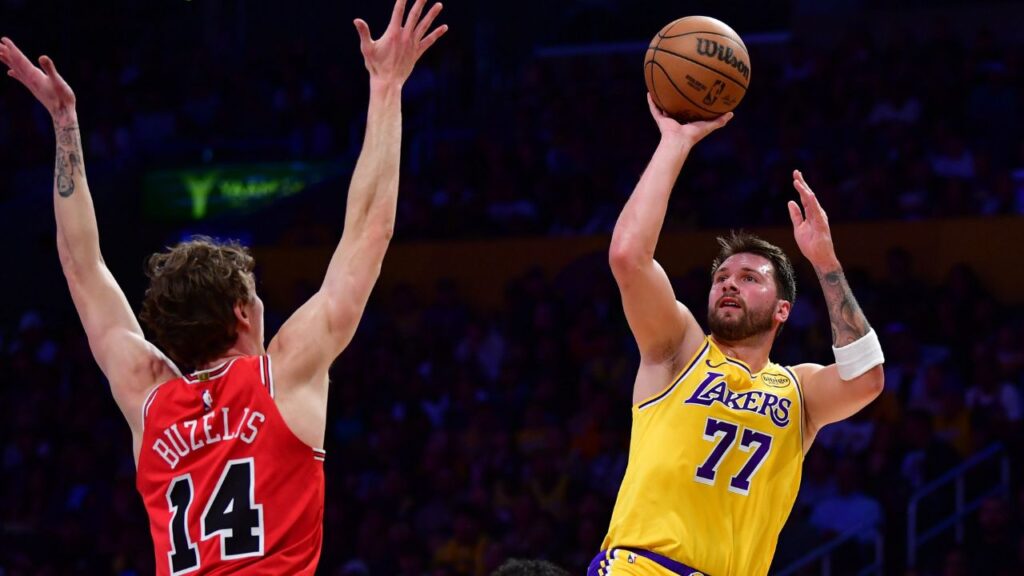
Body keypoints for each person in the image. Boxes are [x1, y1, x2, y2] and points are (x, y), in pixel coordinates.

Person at [0, 1, 446, 573]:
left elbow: (80, 265)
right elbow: (368, 232)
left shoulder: (150, 400)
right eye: (255, 293)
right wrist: (386, 87)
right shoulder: (283, 374)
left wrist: (65, 125)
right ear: (241, 311)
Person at [593, 96, 886, 576]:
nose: (730, 282)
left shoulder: (799, 391)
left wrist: (825, 261)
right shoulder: (678, 348)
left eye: (750, 278)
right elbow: (628, 256)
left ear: (782, 310)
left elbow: (867, 380)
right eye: (722, 277)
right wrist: (675, 142)